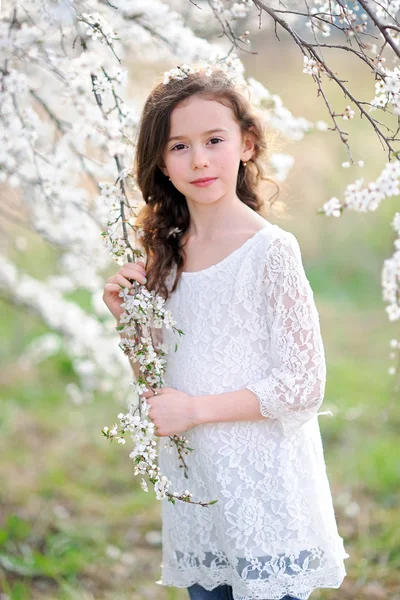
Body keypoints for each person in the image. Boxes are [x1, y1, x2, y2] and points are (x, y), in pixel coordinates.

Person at [103, 64, 349, 600]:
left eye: (214, 139)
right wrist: (129, 321)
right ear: (161, 163)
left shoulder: (270, 252)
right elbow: (158, 383)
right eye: (178, 147)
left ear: (246, 143)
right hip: (200, 486)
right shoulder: (164, 258)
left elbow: (303, 384)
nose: (199, 160)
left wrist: (196, 410)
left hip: (262, 484)